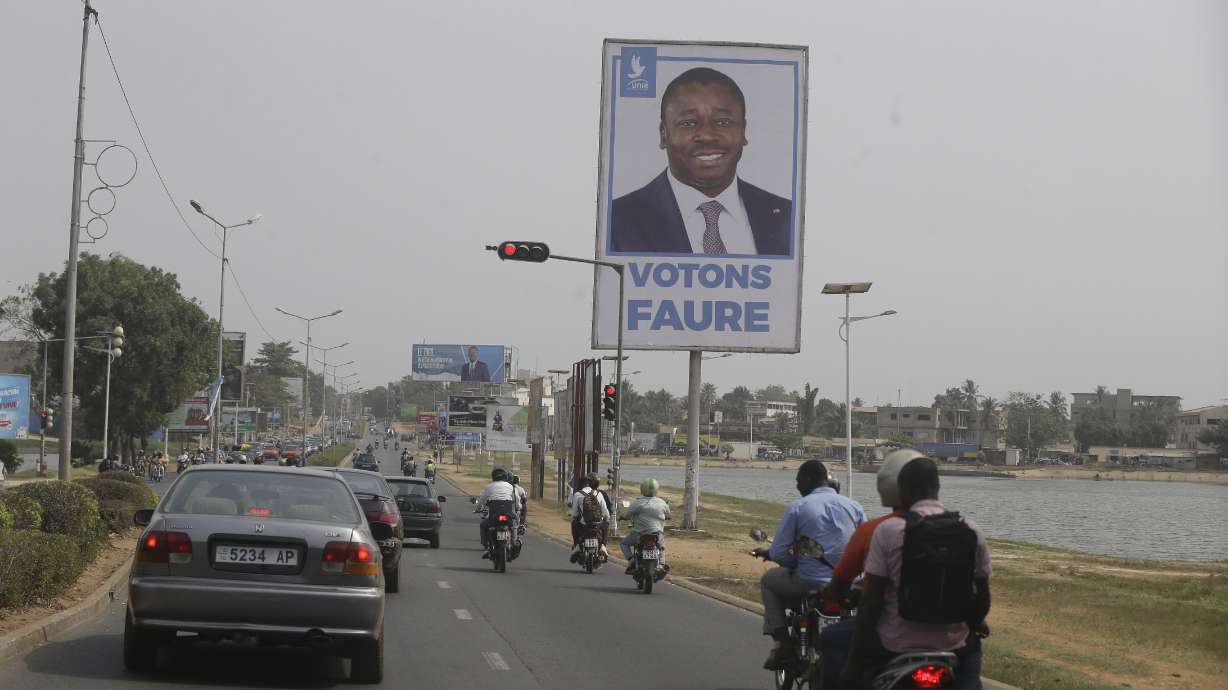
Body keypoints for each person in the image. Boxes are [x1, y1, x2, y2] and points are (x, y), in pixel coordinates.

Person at [838, 457, 992, 690]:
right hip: (952, 645)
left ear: (902, 491)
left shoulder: (888, 531)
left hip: (895, 644)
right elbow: (982, 598)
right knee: (972, 658)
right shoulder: (971, 529)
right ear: (937, 488)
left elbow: (871, 601)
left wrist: (854, 663)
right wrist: (973, 623)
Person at [609, 67, 792, 256]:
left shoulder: (787, 217)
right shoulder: (615, 222)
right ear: (664, 135)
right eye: (688, 123)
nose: (707, 135)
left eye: (723, 122)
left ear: (743, 131)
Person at [752, 460, 865, 671]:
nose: (797, 486)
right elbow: (866, 546)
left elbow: (778, 552)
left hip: (809, 581)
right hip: (848, 583)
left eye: (798, 481)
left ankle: (783, 644)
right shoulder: (854, 506)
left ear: (808, 479)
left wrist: (794, 563)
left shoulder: (798, 507)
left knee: (768, 581)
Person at [618, 478, 670, 573]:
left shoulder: (637, 502)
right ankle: (662, 564)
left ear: (642, 489)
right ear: (657, 489)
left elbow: (627, 515)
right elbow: (668, 515)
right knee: (661, 547)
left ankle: (631, 560)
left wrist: (622, 517)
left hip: (639, 533)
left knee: (624, 544)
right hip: (657, 533)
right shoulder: (662, 503)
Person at [475, 468, 519, 557]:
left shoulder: (489, 486)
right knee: (514, 525)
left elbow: (482, 500)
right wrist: (517, 508)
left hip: (494, 515)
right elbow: (517, 500)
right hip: (508, 513)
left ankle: (486, 546)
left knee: (483, 526)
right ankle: (514, 542)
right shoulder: (510, 487)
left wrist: (478, 509)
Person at [569, 473, 611, 561]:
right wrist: (605, 519)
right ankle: (603, 545)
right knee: (606, 524)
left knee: (574, 523)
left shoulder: (577, 494)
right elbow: (606, 513)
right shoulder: (599, 494)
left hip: (584, 525)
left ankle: (576, 545)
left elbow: (574, 514)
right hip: (597, 525)